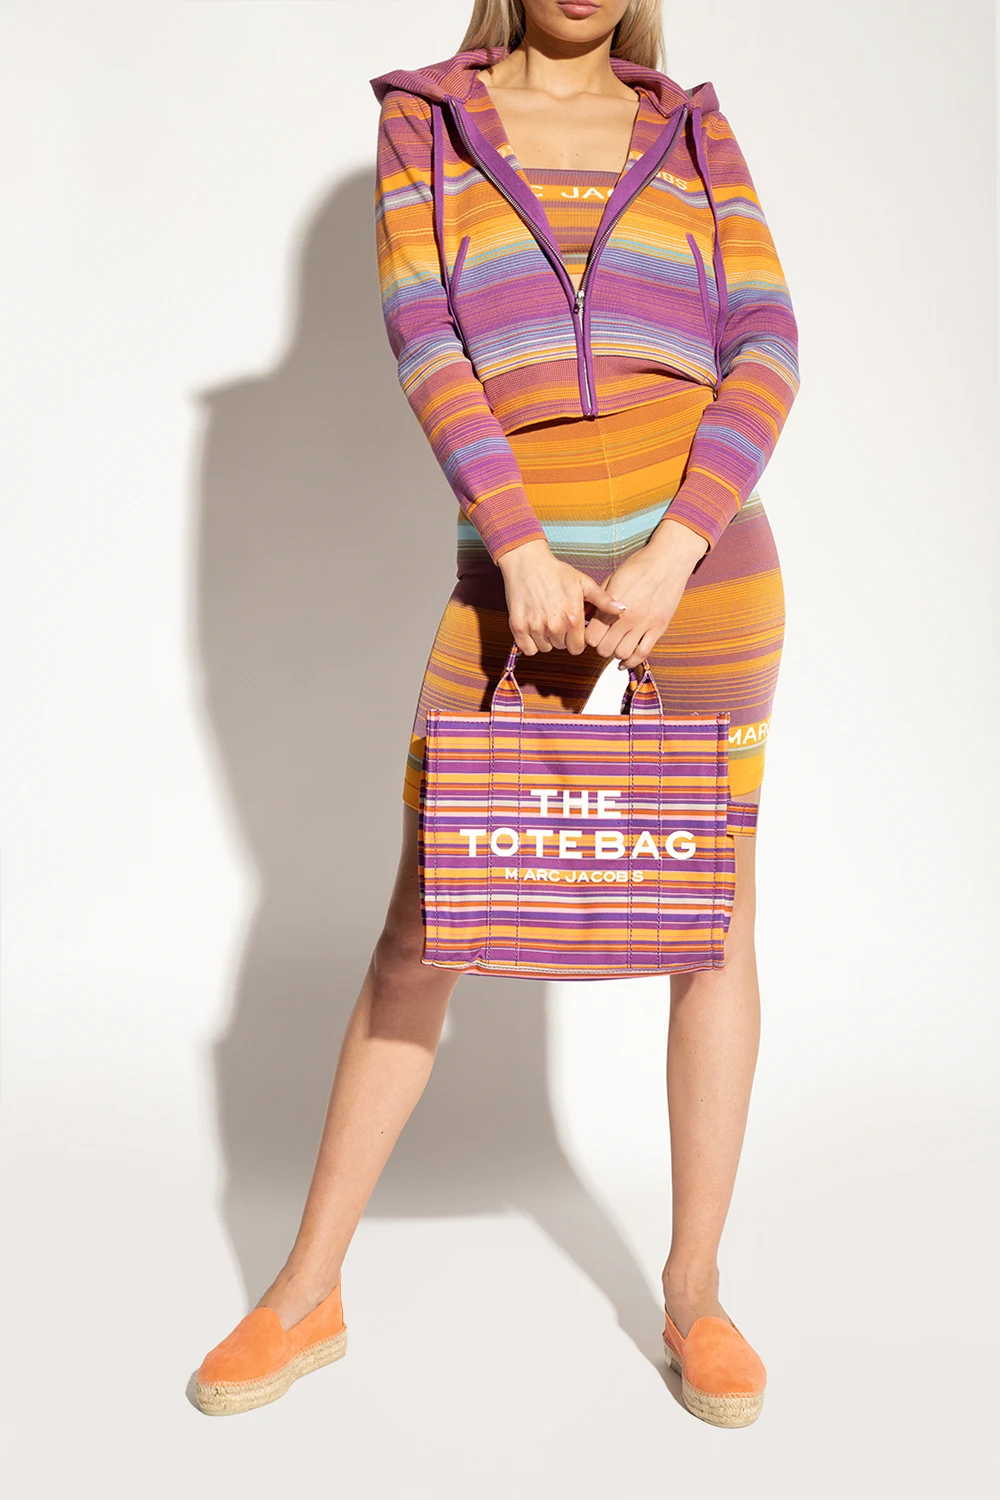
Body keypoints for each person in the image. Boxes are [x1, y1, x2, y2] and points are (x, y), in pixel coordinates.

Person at [194, 0, 799, 1428]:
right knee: (424, 935)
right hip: (511, 590)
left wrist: (676, 549)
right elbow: (427, 333)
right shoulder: (429, 117)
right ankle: (306, 1291)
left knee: (710, 922)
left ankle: (695, 1291)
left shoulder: (691, 129)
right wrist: (517, 545)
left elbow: (767, 341)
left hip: (704, 582)